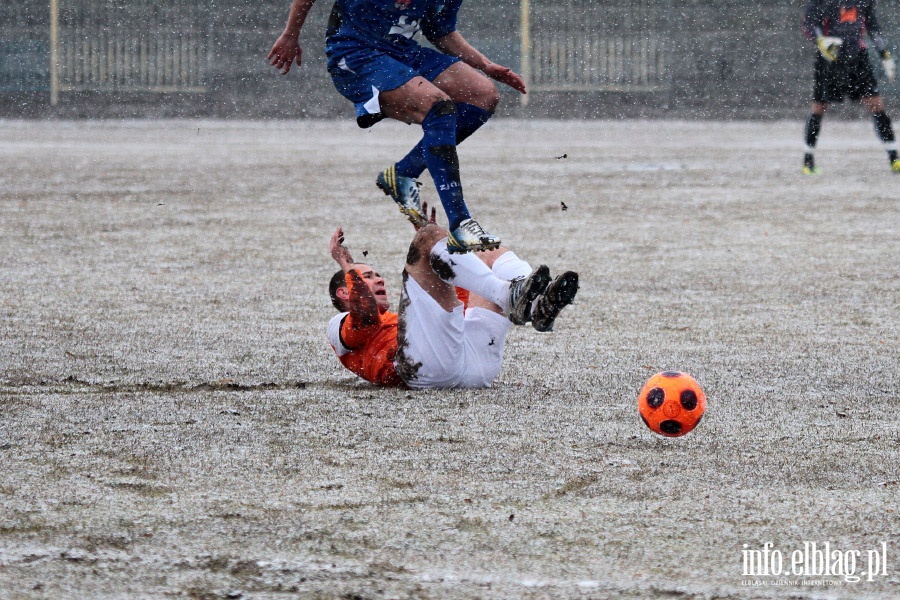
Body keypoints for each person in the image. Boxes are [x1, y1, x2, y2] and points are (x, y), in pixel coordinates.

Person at [269, 0, 527, 252]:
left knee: (482, 94)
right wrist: (290, 35)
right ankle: (460, 223)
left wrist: (485, 65)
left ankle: (404, 173)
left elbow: (441, 32)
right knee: (438, 105)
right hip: (356, 54)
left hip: (403, 52)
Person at [326, 204, 579, 388]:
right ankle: (511, 296)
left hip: (476, 365)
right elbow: (365, 316)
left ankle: (536, 307)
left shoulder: (405, 321)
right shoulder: (338, 324)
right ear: (343, 292)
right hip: (424, 369)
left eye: (374, 275)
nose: (378, 279)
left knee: (486, 252)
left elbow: (458, 301)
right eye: (367, 277)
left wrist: (438, 255)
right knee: (429, 237)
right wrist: (347, 265)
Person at [801, 0, 899, 174]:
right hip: (830, 57)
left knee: (875, 104)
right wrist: (822, 40)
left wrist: (884, 53)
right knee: (819, 107)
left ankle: (894, 159)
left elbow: (873, 26)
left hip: (857, 57)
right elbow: (809, 23)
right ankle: (808, 161)